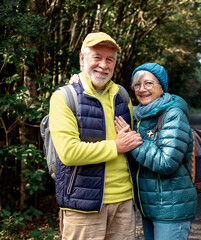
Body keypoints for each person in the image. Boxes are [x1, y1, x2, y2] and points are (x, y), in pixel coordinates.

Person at [49, 32, 143, 240]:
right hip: (83, 206)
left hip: (124, 205)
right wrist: (116, 146)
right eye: (97, 57)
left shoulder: (122, 96)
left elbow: (136, 138)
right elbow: (69, 153)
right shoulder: (64, 98)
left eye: (109, 59)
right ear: (82, 60)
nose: (103, 64)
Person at [114, 63, 197, 240]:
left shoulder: (173, 114)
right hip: (149, 207)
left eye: (149, 83)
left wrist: (133, 142)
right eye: (137, 85)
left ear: (162, 87)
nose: (142, 89)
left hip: (171, 208)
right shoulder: (137, 115)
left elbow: (167, 162)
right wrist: (78, 83)